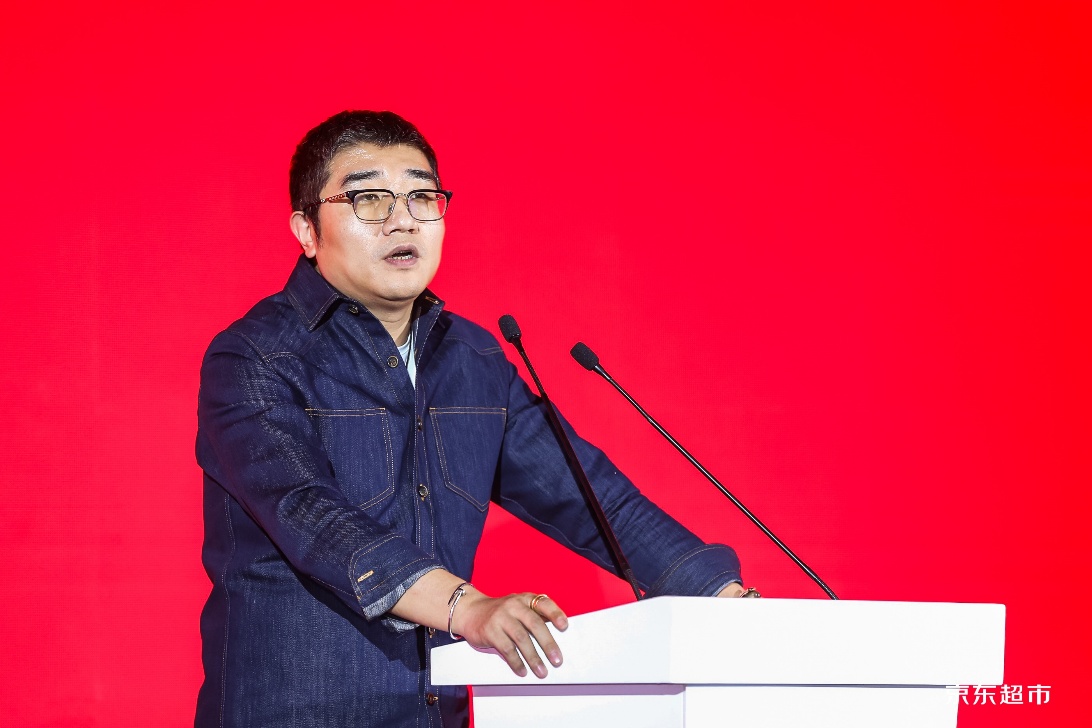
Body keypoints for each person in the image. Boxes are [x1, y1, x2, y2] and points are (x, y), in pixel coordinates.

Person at [195, 110, 751, 728]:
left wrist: (722, 598)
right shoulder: (254, 356)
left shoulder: (475, 360)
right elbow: (311, 516)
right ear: (307, 229)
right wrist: (468, 608)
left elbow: (594, 500)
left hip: (437, 714)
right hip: (298, 712)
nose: (403, 219)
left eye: (421, 196)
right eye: (369, 199)